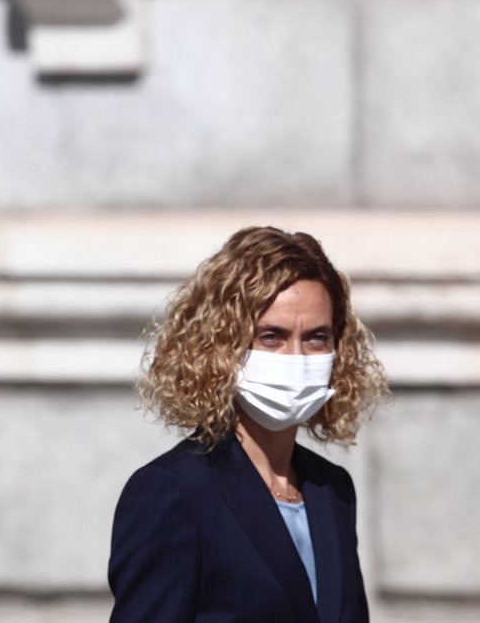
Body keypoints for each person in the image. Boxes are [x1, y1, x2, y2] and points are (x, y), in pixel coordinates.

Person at [108, 226, 389, 623]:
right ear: (223, 345)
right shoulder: (174, 491)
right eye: (271, 337)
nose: (296, 356)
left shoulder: (331, 490)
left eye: (316, 337)